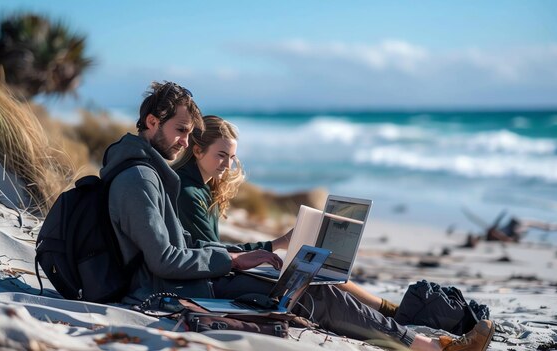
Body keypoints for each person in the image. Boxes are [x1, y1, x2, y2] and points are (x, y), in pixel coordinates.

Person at [100, 81, 494, 351]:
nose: (185, 142)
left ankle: (415, 336)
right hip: (170, 290)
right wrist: (238, 258)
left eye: (189, 133)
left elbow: (181, 250)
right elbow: (165, 259)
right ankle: (427, 346)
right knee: (311, 292)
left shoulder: (146, 171)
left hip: (183, 280)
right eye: (181, 131)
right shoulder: (139, 177)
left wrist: (245, 256)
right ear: (152, 122)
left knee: (305, 280)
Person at [172, 115, 399, 317]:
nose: (228, 165)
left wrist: (278, 244)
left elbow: (215, 250)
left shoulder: (201, 187)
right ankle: (389, 314)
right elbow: (213, 254)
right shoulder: (188, 192)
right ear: (198, 150)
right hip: (209, 284)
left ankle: (387, 310)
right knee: (312, 282)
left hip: (213, 274)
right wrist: (273, 245)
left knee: (315, 275)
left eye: (232, 157)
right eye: (221, 155)